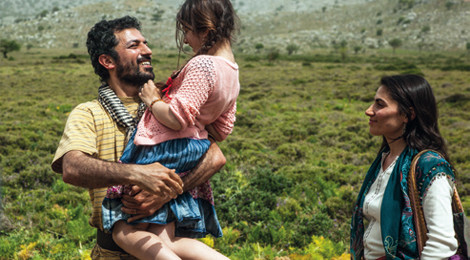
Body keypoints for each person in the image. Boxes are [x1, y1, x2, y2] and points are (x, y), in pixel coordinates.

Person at [51, 15, 226, 260]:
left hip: (166, 242)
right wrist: (138, 174)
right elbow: (72, 167)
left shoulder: (169, 105)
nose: (148, 50)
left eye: (145, 43)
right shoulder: (89, 113)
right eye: (134, 46)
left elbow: (215, 156)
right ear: (107, 61)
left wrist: (168, 191)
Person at [101, 0, 240, 259]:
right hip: (193, 150)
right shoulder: (232, 71)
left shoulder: (203, 65)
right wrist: (197, 121)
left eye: (187, 31)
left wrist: (152, 100)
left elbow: (176, 118)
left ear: (206, 30)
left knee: (123, 230)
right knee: (167, 238)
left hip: (164, 148)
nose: (186, 41)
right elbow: (222, 129)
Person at [350, 74, 459, 259]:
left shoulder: (429, 167)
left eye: (380, 104)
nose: (369, 111)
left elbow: (441, 244)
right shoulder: (385, 159)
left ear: (408, 115)